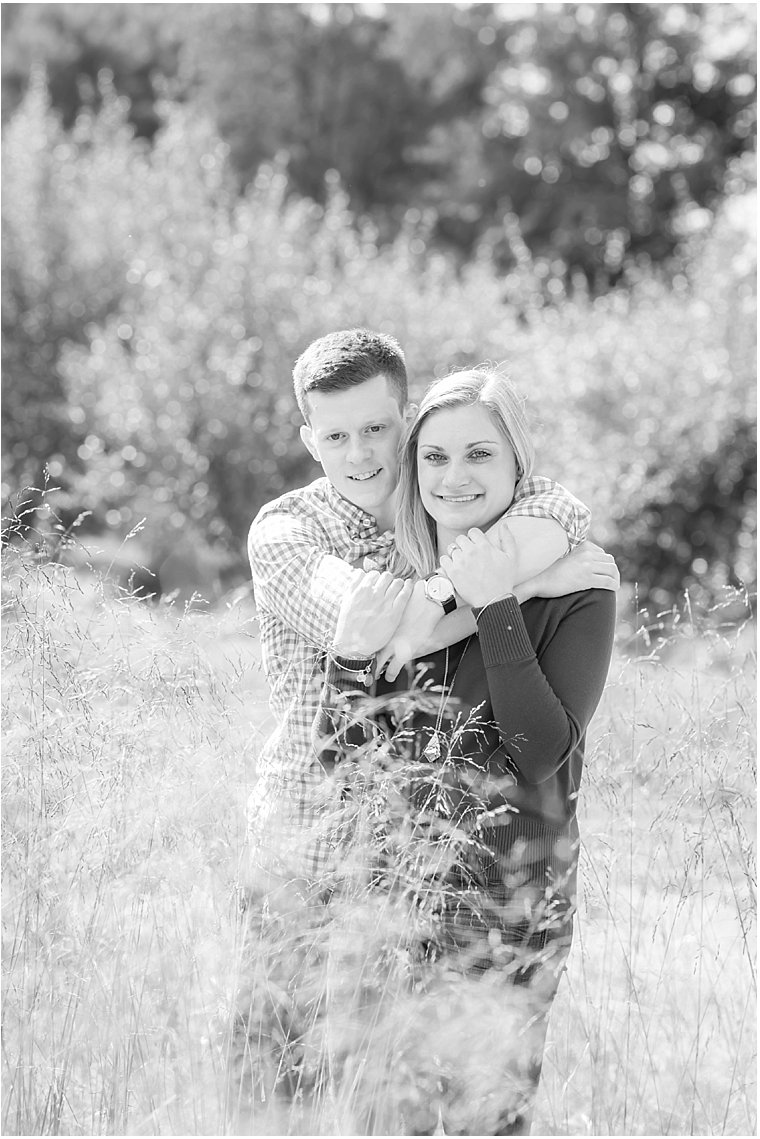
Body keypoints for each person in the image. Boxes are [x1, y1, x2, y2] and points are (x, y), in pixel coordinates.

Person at [321, 367, 616, 1134]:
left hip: (511, 902)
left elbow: (542, 754)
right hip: (391, 901)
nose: (454, 477)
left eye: (480, 454)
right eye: (436, 456)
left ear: (519, 465)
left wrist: (495, 606)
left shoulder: (576, 587)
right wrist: (349, 660)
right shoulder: (396, 590)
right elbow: (350, 773)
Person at [242, 329, 615, 907]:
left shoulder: (445, 504)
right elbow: (384, 633)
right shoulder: (288, 531)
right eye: (335, 436)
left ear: (408, 422)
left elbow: (560, 506)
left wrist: (484, 588)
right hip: (304, 840)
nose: (358, 454)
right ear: (309, 441)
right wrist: (528, 583)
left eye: (375, 429)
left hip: (406, 868)